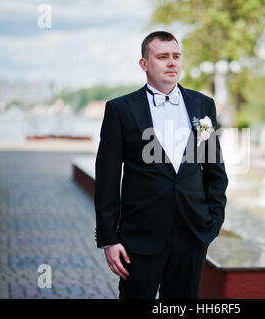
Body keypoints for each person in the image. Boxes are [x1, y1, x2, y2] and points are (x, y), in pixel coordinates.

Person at [94, 31, 228, 299]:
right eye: (162, 56)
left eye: (176, 56)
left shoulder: (202, 106)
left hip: (192, 234)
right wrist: (109, 239)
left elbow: (214, 169)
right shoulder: (121, 110)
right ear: (144, 64)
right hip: (140, 237)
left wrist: (212, 223)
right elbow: (107, 179)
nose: (171, 63)